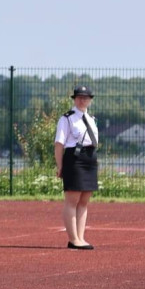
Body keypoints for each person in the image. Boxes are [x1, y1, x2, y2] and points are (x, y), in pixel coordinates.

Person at [54, 85, 100, 250]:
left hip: (90, 158)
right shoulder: (67, 118)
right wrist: (60, 166)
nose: (82, 100)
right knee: (72, 200)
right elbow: (59, 144)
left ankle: (81, 237)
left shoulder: (92, 119)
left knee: (84, 200)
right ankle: (73, 239)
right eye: (79, 97)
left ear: (90, 100)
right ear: (74, 99)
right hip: (74, 158)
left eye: (86, 97)